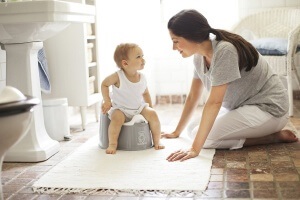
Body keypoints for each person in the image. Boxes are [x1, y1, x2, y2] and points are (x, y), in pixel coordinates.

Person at [161, 9, 298, 162]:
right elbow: (193, 96)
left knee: (206, 139)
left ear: (192, 36)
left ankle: (271, 138)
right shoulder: (198, 58)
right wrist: (176, 131)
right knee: (191, 130)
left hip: (269, 109)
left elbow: (214, 102)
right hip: (242, 107)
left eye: (175, 41)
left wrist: (194, 149)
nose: (174, 48)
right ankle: (268, 136)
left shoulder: (225, 50)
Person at [101, 43, 165, 154]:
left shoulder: (142, 77)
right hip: (121, 109)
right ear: (125, 63)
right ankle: (112, 144)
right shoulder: (118, 76)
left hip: (138, 108)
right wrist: (107, 100)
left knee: (153, 114)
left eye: (142, 56)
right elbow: (104, 84)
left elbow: (145, 93)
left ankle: (157, 141)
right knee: (116, 119)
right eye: (138, 57)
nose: (143, 59)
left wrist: (150, 107)